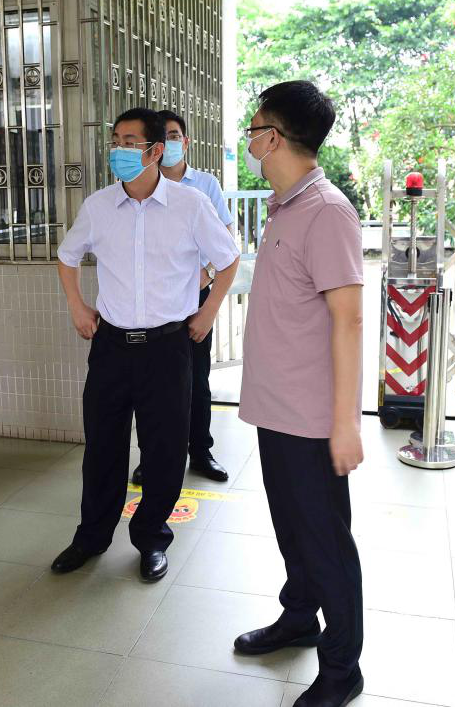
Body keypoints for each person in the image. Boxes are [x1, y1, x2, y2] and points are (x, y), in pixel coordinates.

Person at [51, 107, 239, 582]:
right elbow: (67, 256)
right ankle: (91, 537)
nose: (119, 150)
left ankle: (152, 538)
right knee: (102, 448)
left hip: (167, 348)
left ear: (156, 151)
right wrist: (77, 306)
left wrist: (209, 311)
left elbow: (228, 259)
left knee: (164, 450)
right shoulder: (98, 207)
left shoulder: (190, 204)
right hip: (111, 347)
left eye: (130, 142)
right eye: (115, 141)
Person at [234, 81, 366, 707]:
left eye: (255, 128)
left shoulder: (327, 211)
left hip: (312, 419)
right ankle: (299, 616)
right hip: (277, 409)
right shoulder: (285, 206)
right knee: (291, 527)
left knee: (325, 542)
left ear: (274, 137)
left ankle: (343, 668)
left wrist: (346, 424)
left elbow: (350, 320)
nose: (250, 139)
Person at [130, 109, 233, 486]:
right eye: (164, 137)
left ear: (184, 141)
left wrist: (206, 275)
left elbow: (226, 241)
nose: (170, 142)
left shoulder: (204, 185)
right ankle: (151, 457)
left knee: (196, 378)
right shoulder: (138, 184)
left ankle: (200, 450)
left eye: (175, 135)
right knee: (151, 384)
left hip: (195, 297)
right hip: (153, 302)